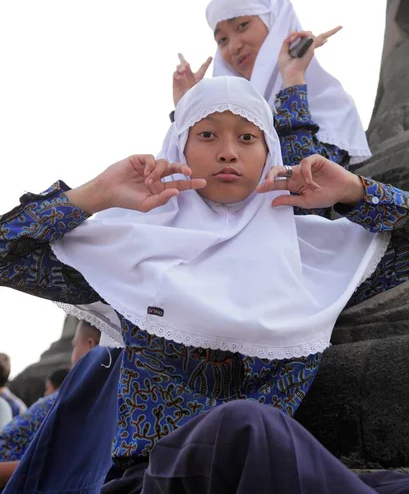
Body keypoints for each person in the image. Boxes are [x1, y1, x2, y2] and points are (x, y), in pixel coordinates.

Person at [0, 36, 408, 492]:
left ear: (269, 152)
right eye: (208, 134)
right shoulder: (135, 252)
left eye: (247, 137)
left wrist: (356, 191)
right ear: (181, 147)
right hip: (150, 480)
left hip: (262, 476)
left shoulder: (309, 256)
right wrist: (93, 193)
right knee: (244, 425)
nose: (228, 151)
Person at [173, 0, 371, 176]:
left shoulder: (331, 105)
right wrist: (187, 112)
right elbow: (189, 186)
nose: (233, 47)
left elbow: (305, 178)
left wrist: (292, 82)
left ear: (277, 22)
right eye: (222, 40)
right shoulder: (225, 115)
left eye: (242, 25)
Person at [0, 321, 100, 488]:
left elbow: (46, 464)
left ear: (90, 346)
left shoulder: (71, 402)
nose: (72, 356)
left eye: (75, 346)